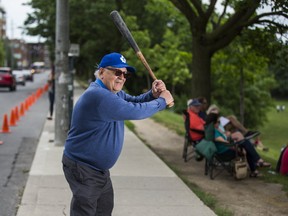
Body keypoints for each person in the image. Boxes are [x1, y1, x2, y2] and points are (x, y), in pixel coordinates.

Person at [62, 52, 173, 216]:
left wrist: (152, 95)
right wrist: (162, 101)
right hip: (83, 168)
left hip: (98, 170)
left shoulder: (113, 93)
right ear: (101, 72)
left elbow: (133, 101)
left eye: (125, 74)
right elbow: (134, 111)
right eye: (117, 72)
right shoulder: (98, 95)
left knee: (104, 209)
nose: (122, 77)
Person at [205, 113, 271, 177]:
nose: (218, 123)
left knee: (245, 143)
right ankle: (257, 163)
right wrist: (230, 141)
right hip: (225, 153)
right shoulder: (214, 132)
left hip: (223, 149)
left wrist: (225, 133)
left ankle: (257, 164)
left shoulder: (212, 129)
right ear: (213, 123)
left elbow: (221, 137)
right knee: (246, 144)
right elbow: (220, 140)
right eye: (217, 122)